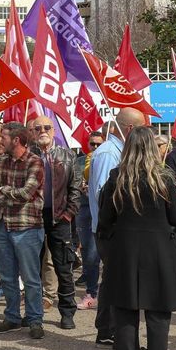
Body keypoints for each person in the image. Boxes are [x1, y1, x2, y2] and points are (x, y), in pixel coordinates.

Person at [97, 126, 176, 350]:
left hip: (126, 249)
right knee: (158, 315)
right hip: (159, 250)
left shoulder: (117, 177)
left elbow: (105, 219)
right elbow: (175, 218)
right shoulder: (164, 177)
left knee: (125, 314)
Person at [90, 106, 146, 349]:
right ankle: (112, 332)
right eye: (144, 128)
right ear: (131, 129)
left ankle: (106, 330)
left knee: (113, 280)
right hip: (111, 231)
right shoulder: (108, 153)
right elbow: (105, 194)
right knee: (118, 282)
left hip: (115, 231)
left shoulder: (117, 151)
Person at [0, 122, 45, 340]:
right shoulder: (2, 160)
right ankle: (11, 317)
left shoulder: (35, 162)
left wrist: (4, 190)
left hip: (27, 227)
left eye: (4, 137)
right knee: (8, 276)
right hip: (3, 224)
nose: (0, 140)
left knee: (30, 277)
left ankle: (34, 319)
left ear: (16, 140)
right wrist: (9, 192)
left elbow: (27, 193)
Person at [27, 115, 82, 330]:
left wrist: (68, 215)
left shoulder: (67, 155)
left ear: (53, 131)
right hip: (34, 219)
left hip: (60, 219)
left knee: (63, 268)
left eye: (46, 127)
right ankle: (34, 314)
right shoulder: (27, 156)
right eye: (37, 128)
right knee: (32, 268)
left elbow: (75, 189)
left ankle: (67, 312)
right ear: (31, 132)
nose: (42, 131)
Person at [76, 130, 105, 311]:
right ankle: (91, 292)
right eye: (92, 144)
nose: (94, 147)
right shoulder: (80, 161)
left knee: (97, 254)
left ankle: (98, 292)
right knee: (88, 253)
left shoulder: (107, 158)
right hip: (84, 209)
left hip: (101, 211)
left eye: (98, 144)